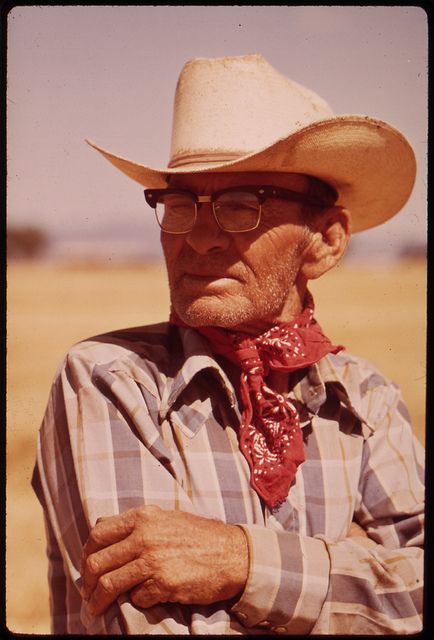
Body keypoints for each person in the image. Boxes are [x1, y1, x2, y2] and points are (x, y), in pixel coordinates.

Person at [32, 54, 424, 635]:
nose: (199, 237)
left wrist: (243, 563)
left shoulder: (366, 399)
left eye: (243, 206)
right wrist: (355, 587)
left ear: (325, 241)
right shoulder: (112, 381)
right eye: (180, 205)